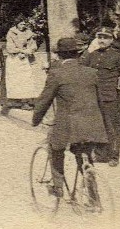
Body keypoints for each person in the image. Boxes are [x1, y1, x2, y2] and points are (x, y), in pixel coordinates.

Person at [32, 37, 109, 197]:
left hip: (68, 126)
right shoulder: (92, 73)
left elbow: (44, 101)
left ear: (59, 56)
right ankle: (94, 198)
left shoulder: (56, 74)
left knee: (55, 149)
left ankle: (58, 187)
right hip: (92, 124)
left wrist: (35, 119)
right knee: (84, 155)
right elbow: (101, 102)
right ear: (77, 54)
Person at [81, 27, 120, 166]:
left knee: (112, 127)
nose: (102, 40)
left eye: (105, 37)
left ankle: (114, 156)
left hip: (110, 97)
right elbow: (83, 72)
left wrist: (118, 91)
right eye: (99, 37)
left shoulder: (118, 57)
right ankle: (101, 155)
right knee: (97, 126)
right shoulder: (92, 55)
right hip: (93, 96)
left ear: (111, 40)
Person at [1, 18, 44, 112]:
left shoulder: (28, 33)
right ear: (16, 25)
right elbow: (10, 47)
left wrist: (27, 52)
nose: (22, 26)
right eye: (20, 24)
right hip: (14, 59)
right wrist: (20, 51)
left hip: (25, 58)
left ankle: (25, 101)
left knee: (26, 80)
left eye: (24, 24)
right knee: (14, 80)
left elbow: (33, 46)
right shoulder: (11, 33)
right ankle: (15, 100)